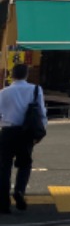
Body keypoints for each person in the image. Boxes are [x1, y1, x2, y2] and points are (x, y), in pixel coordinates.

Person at [0, 64, 47, 213]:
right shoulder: (35, 90)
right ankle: (19, 190)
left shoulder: (3, 92)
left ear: (12, 75)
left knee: (4, 167)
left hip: (7, 131)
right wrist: (40, 132)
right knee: (25, 164)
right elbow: (41, 112)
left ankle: (3, 203)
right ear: (27, 75)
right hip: (26, 132)